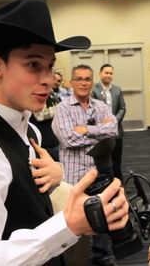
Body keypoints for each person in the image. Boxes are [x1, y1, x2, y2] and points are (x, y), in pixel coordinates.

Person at [0, 0, 128, 266]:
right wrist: (68, 225)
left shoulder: (28, 130)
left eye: (50, 66)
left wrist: (56, 178)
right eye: (33, 65)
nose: (48, 79)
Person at [52, 64, 119, 266]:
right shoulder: (62, 109)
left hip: (98, 171)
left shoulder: (100, 106)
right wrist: (99, 132)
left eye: (87, 79)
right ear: (72, 82)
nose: (83, 82)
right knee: (74, 221)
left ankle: (101, 254)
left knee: (103, 213)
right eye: (79, 79)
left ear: (92, 82)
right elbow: (68, 139)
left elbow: (114, 129)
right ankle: (77, 260)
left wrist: (86, 130)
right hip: (73, 175)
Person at [91, 63, 126, 181]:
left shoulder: (117, 89)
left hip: (116, 130)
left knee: (117, 160)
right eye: (106, 72)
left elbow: (122, 108)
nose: (109, 75)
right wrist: (104, 123)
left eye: (111, 73)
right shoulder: (93, 89)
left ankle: (119, 183)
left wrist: (115, 120)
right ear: (100, 73)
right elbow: (91, 110)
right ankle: (107, 185)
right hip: (101, 132)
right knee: (103, 162)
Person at [30, 86, 61, 161]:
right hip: (44, 142)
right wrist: (60, 108)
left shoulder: (51, 93)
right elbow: (40, 115)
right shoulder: (36, 92)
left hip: (54, 140)